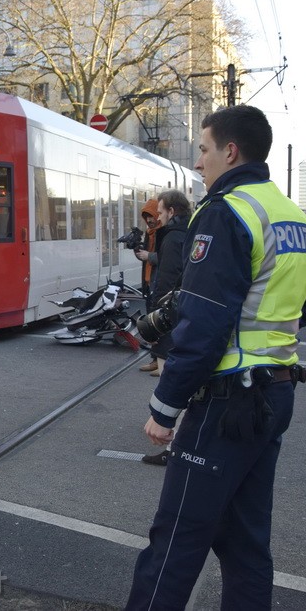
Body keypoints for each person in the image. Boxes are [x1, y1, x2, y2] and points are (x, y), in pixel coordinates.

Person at [126, 104, 306, 610]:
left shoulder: (225, 210)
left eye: (204, 151)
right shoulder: (294, 218)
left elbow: (204, 321)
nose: (198, 164)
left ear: (230, 151)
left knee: (175, 542)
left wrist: (164, 407)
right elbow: (305, 311)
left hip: (227, 402)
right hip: (276, 392)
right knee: (245, 543)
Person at [134, 190, 190, 467]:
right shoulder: (187, 231)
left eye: (161, 210)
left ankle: (173, 440)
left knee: (170, 373)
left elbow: (168, 277)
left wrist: (158, 311)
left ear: (171, 211)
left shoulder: (173, 237)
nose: (158, 215)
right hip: (183, 310)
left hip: (172, 313)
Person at [134, 199, 160, 373]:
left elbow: (168, 257)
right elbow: (144, 258)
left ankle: (158, 360)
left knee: (157, 324)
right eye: (146, 217)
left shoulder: (164, 233)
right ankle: (156, 359)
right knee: (152, 324)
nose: (149, 220)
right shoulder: (149, 233)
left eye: (151, 216)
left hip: (159, 283)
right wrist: (137, 250)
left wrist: (149, 256)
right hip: (149, 282)